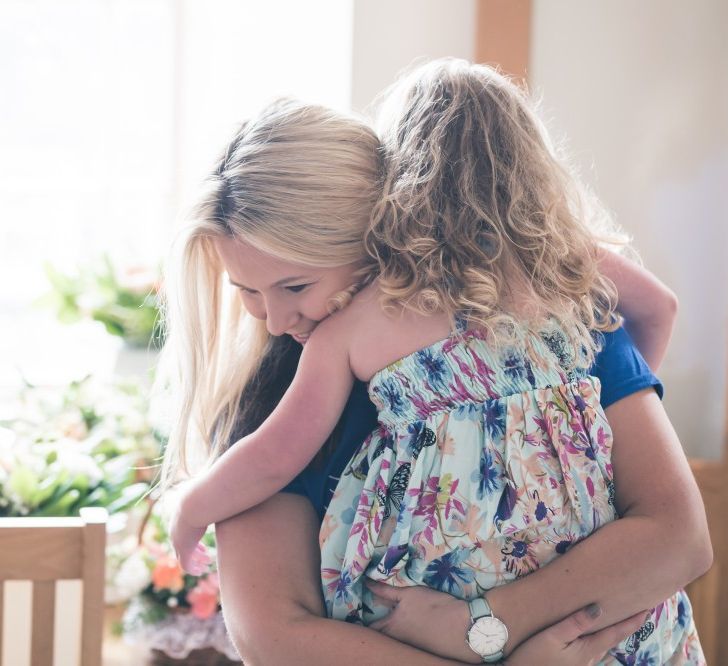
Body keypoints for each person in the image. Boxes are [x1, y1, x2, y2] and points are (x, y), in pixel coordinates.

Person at [159, 64, 709, 664]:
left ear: (375, 228)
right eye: (246, 290)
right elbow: (276, 637)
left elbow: (678, 539)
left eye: (295, 284)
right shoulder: (566, 305)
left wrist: (490, 625)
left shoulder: (569, 317)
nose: (270, 319)